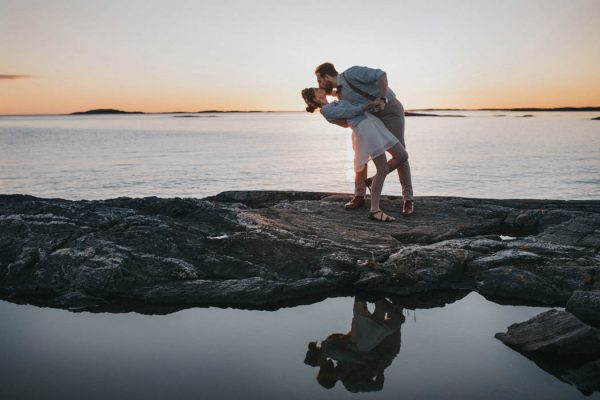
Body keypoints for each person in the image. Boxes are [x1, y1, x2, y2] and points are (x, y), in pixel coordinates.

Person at [315, 62, 415, 216]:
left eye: (319, 80)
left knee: (400, 151)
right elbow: (349, 116)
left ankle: (408, 199)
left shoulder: (352, 73)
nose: (320, 85)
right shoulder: (339, 95)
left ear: (327, 76)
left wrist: (382, 99)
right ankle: (359, 195)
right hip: (370, 118)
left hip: (390, 110)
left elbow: (381, 74)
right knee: (360, 153)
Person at [301, 87, 407, 222]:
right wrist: (367, 106)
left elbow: (348, 107)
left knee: (402, 155)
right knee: (383, 169)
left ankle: (373, 180)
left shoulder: (333, 103)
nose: (320, 89)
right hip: (365, 128)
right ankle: (375, 210)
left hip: (373, 123)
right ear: (315, 98)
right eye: (317, 90)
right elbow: (349, 112)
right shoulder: (326, 110)